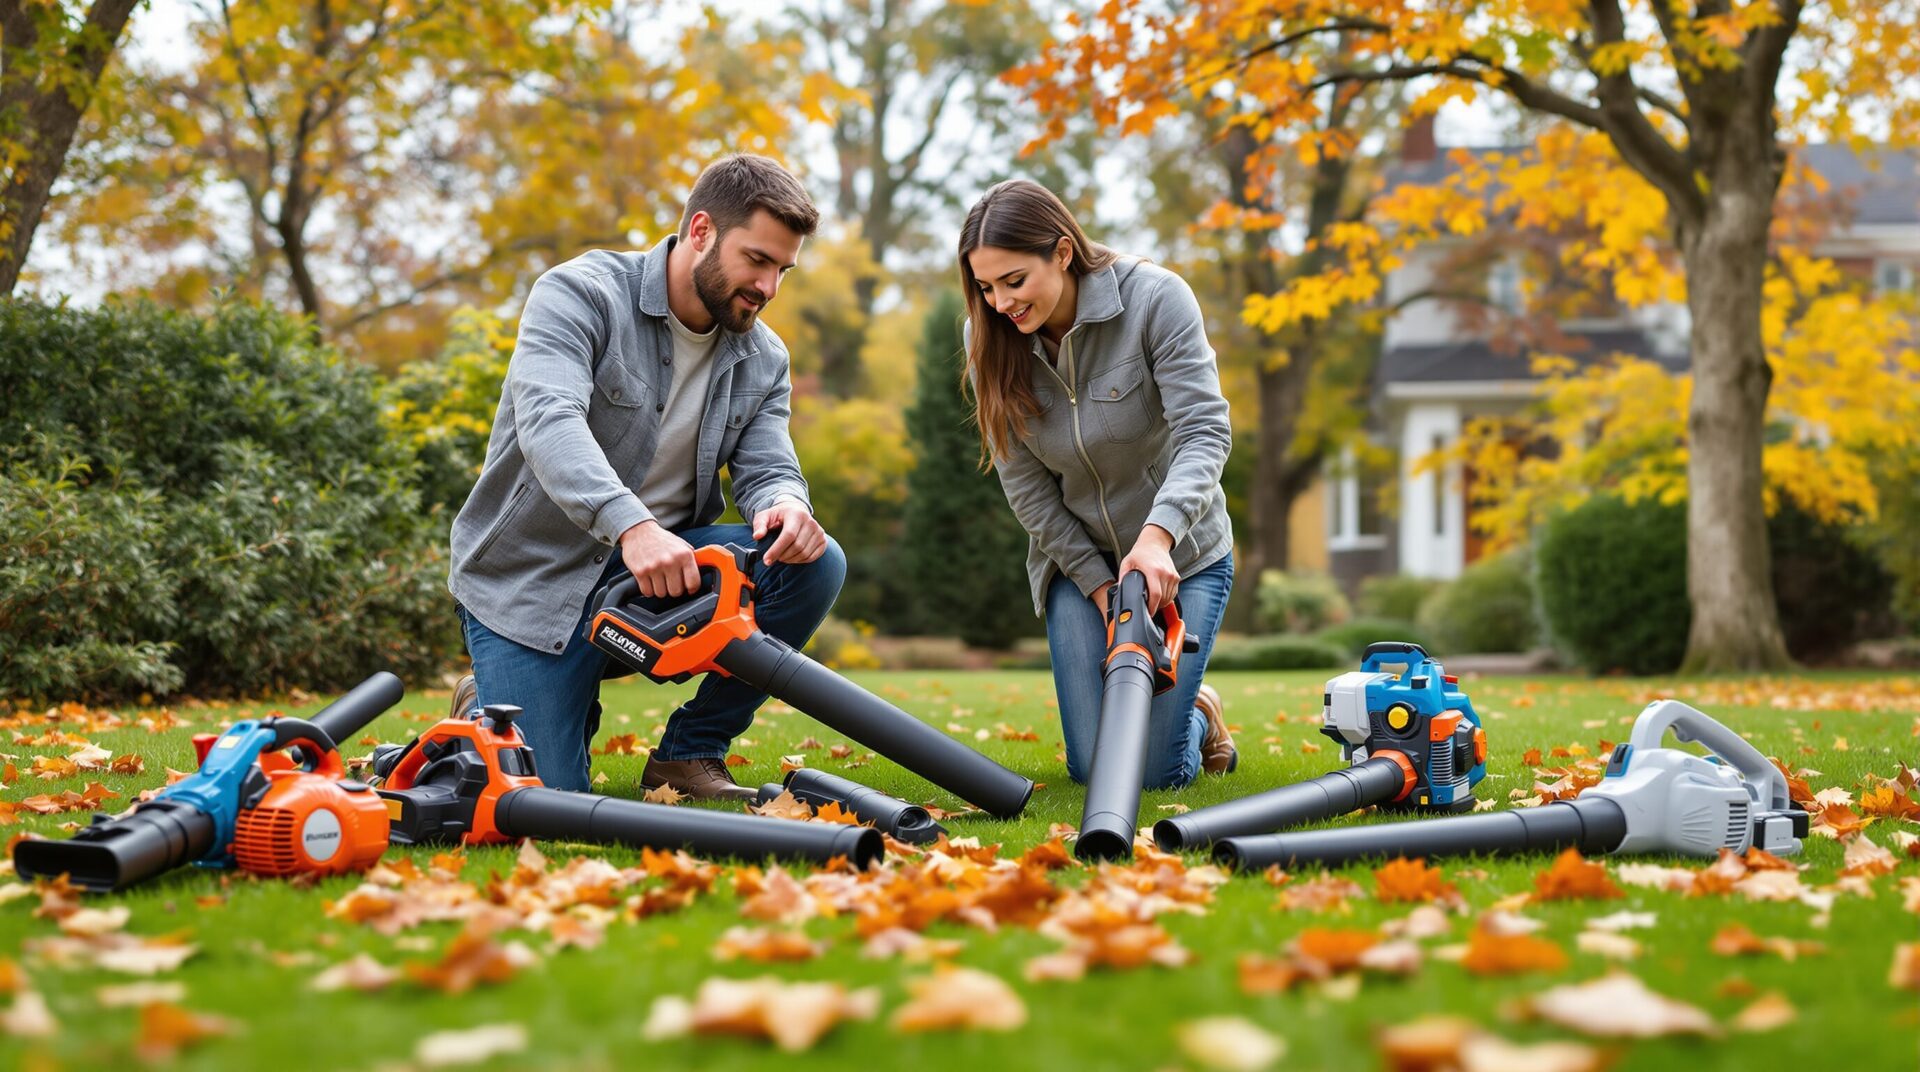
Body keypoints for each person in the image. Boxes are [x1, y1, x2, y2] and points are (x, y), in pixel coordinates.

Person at [447, 154, 843, 800]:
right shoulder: (579, 293)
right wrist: (633, 525)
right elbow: (550, 420)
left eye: (783, 270)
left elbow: (769, 466)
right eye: (757, 260)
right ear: (701, 231)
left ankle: (691, 753)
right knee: (551, 801)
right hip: (533, 585)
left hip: (659, 579)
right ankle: (492, 706)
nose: (769, 287)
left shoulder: (764, 356)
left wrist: (786, 504)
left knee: (812, 560)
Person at [958, 178, 1237, 789]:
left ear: (1062, 252)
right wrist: (1100, 587)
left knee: (1152, 773)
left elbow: (1205, 431)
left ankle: (1198, 717)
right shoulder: (987, 339)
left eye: (1014, 281)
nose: (1001, 303)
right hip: (1080, 565)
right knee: (1095, 768)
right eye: (986, 287)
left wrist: (1158, 539)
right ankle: (1180, 708)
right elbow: (1026, 488)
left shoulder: (1156, 299)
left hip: (1182, 557)